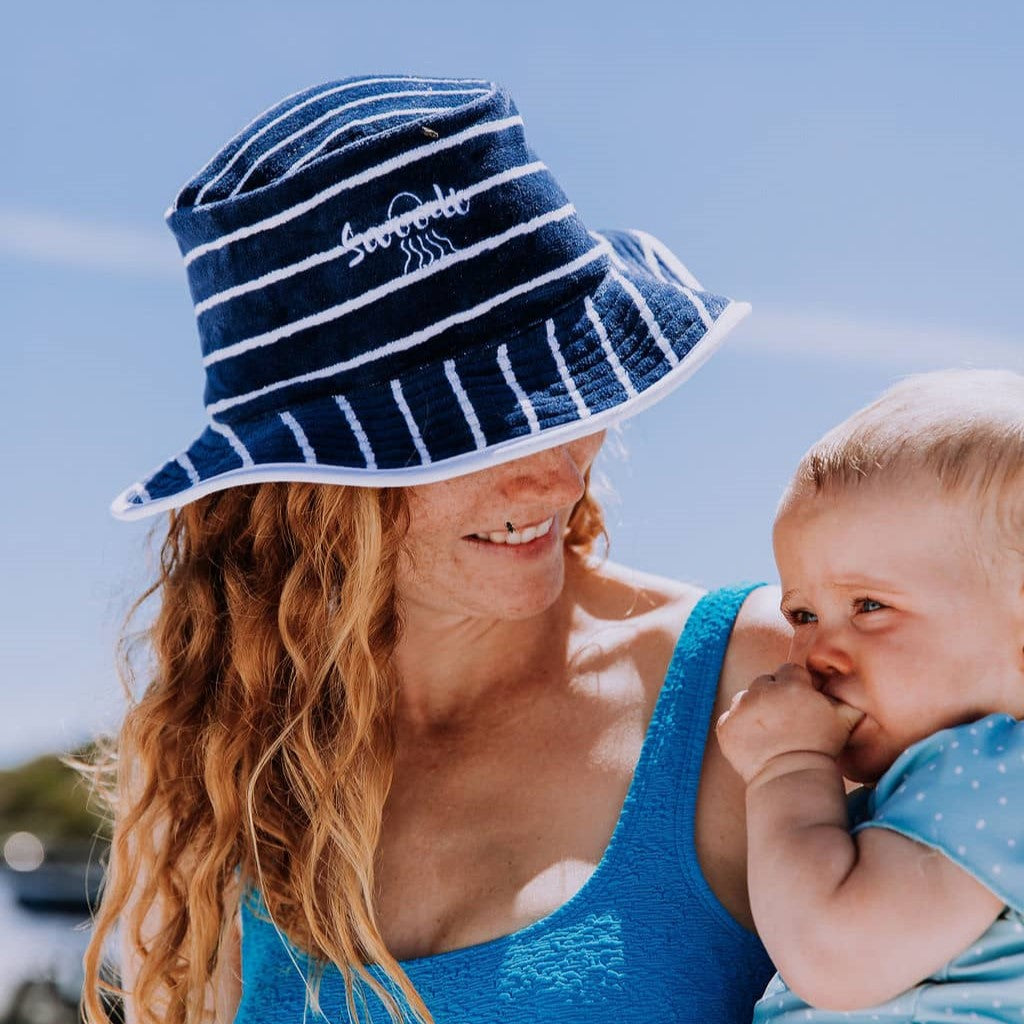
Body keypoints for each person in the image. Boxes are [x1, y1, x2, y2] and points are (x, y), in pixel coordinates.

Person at [84, 74, 788, 1024]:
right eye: (473, 436)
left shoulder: (758, 688)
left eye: (571, 393)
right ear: (304, 487)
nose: (554, 476)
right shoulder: (225, 772)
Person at [716, 369, 1024, 1023]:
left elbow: (832, 955)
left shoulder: (998, 769)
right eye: (801, 614)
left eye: (870, 605)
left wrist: (787, 766)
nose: (818, 652)